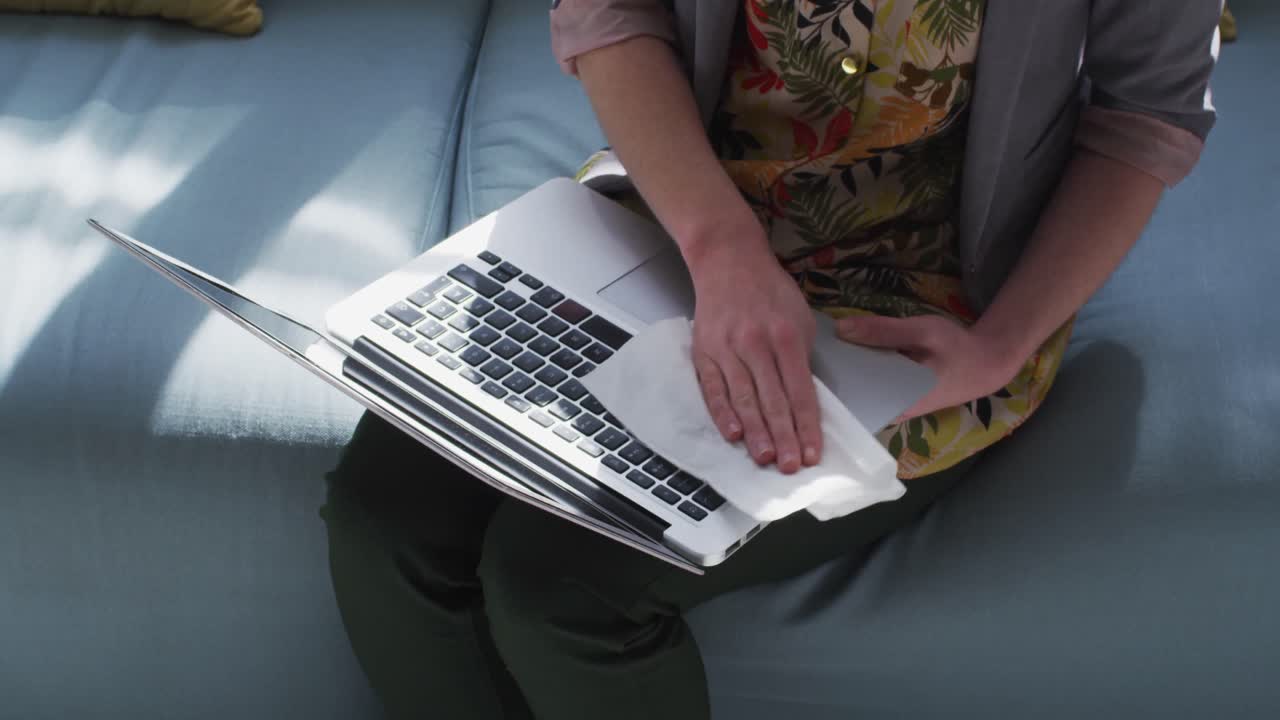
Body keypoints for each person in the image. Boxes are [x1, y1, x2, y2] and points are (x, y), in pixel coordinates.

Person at [320, 1, 1221, 718]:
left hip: (921, 295)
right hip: (678, 217)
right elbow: (608, 11)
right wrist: (721, 251)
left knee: (557, 589)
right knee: (382, 519)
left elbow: (1146, 111)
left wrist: (1002, 345)